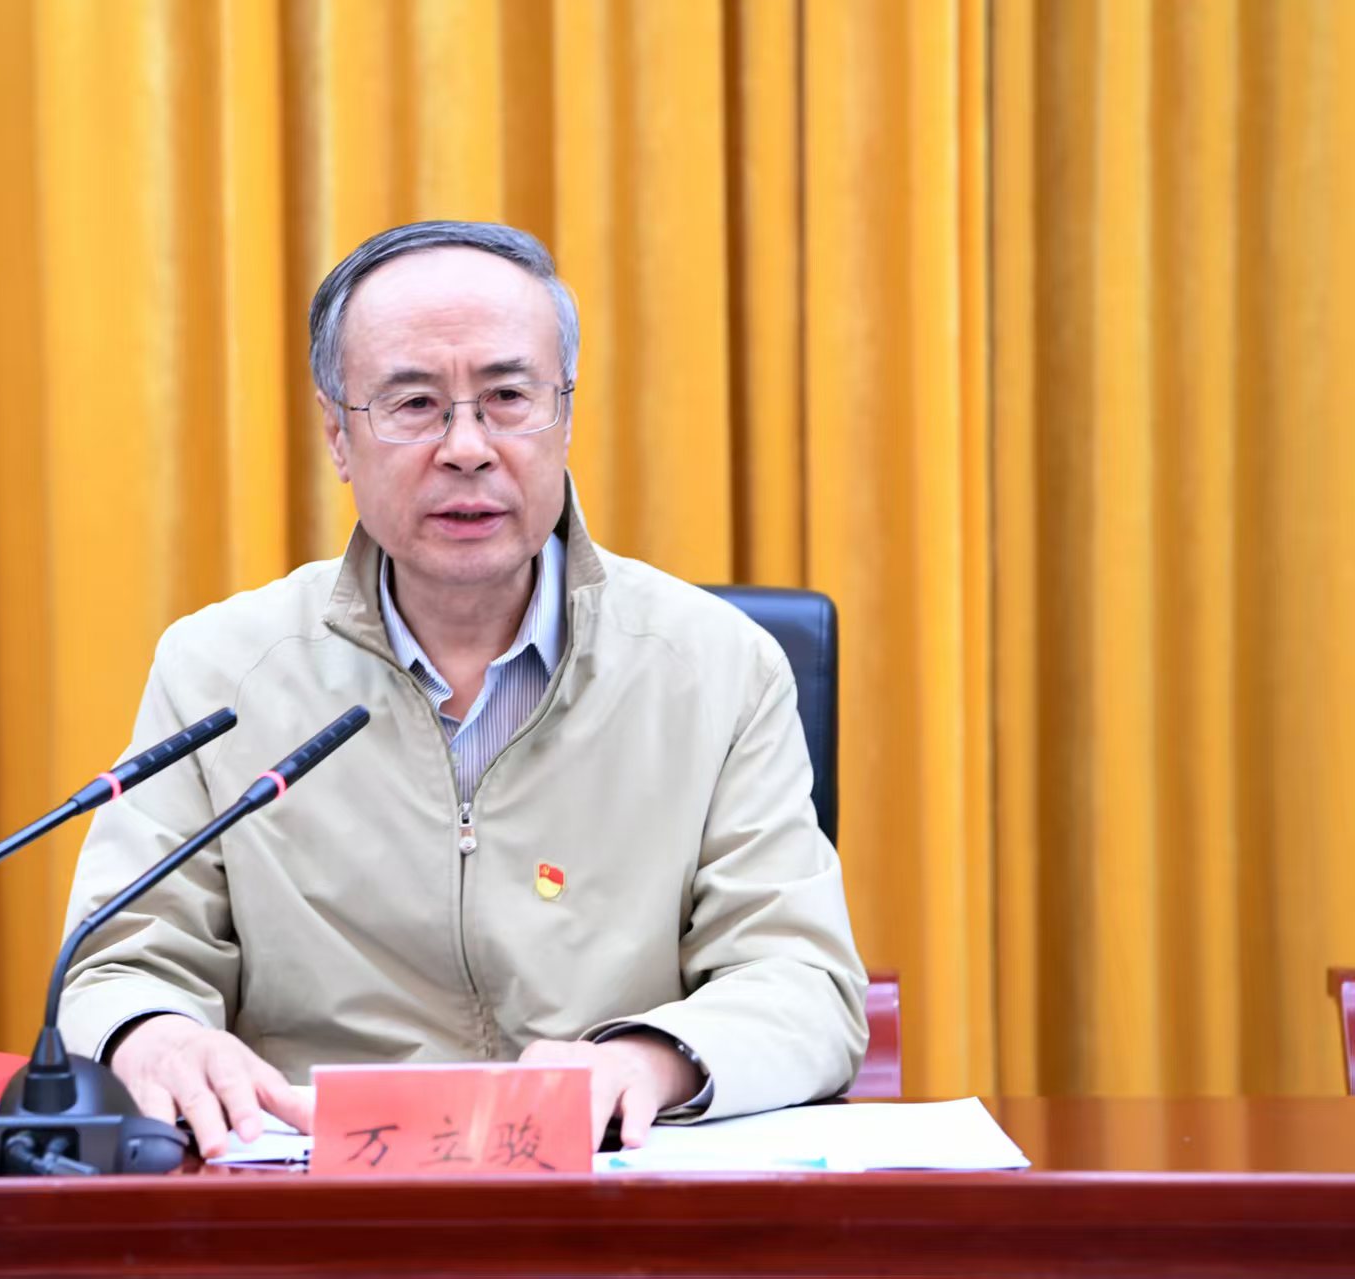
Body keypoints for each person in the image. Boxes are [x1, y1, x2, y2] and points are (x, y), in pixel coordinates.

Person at [59, 221, 867, 1159]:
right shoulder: (219, 671)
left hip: (613, 1187)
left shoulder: (718, 667)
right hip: (314, 1192)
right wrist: (154, 1033)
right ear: (338, 435)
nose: (467, 448)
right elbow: (123, 959)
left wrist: (649, 1061)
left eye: (509, 397)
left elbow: (802, 979)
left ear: (565, 417)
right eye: (414, 404)